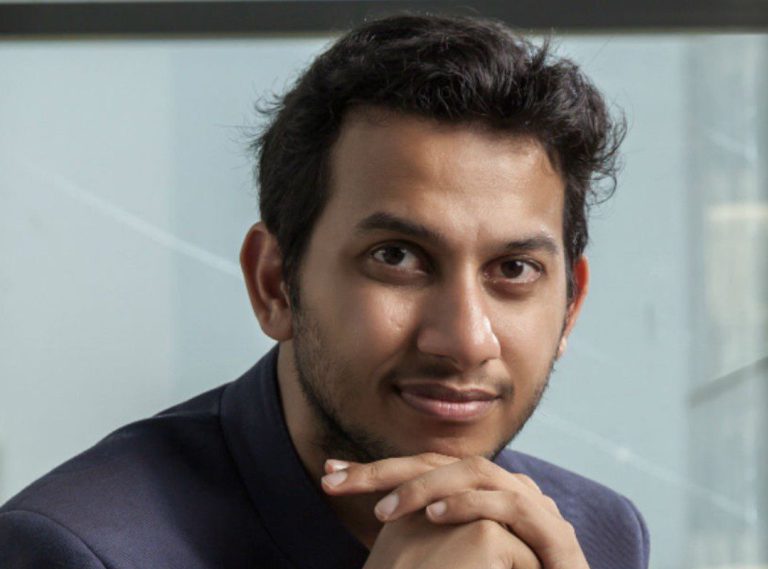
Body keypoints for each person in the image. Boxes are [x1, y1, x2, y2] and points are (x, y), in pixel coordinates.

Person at [0, 13, 649, 569]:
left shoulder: (597, 534)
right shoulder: (74, 549)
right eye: (397, 257)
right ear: (275, 284)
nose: (464, 340)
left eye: (514, 269)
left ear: (569, 307)